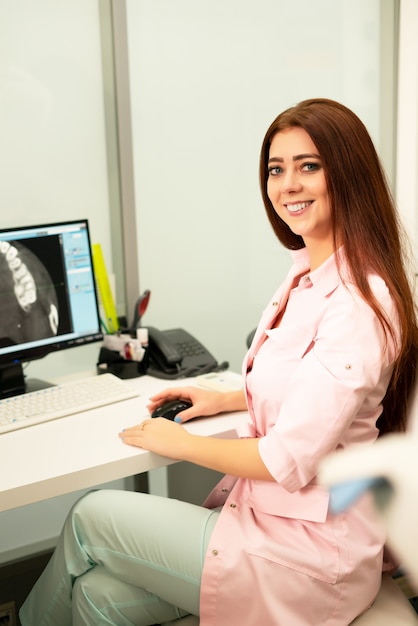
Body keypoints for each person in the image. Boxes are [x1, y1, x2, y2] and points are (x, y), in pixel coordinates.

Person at [20, 98, 418, 626]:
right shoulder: (305, 275)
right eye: (276, 169)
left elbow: (287, 460)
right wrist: (229, 397)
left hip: (312, 556)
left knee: (91, 516)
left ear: (348, 174)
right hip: (271, 526)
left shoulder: (360, 303)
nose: (287, 184)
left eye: (309, 166)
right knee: (99, 595)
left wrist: (183, 445)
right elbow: (313, 390)